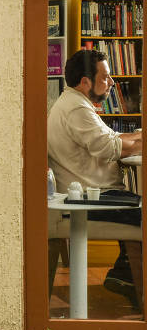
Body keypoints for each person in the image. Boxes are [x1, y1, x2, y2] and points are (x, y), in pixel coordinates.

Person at [47, 49, 142, 305]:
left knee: (137, 204)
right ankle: (126, 276)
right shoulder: (77, 109)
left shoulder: (76, 104)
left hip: (89, 192)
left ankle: (126, 274)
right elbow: (110, 148)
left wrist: (138, 137)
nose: (111, 82)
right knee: (143, 211)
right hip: (85, 199)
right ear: (86, 81)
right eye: (106, 77)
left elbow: (111, 138)